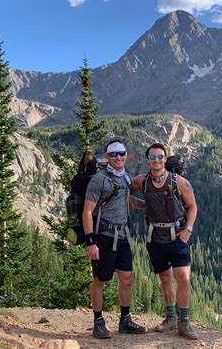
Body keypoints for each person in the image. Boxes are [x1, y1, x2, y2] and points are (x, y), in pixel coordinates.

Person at [132, 143, 199, 340]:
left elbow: (193, 207)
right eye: (152, 158)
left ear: (165, 158)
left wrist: (188, 229)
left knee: (183, 279)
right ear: (147, 160)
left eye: (160, 157)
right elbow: (124, 192)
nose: (156, 161)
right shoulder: (141, 181)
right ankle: (171, 317)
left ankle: (184, 323)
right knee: (165, 278)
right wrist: (140, 204)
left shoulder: (179, 182)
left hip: (178, 236)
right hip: (155, 237)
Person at [82, 139, 147, 339]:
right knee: (100, 279)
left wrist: (146, 205)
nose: (119, 157)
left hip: (122, 235)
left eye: (122, 153)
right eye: (114, 154)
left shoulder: (126, 178)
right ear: (108, 157)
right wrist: (90, 241)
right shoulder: (99, 179)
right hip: (103, 236)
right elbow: (87, 211)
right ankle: (98, 322)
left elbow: (126, 200)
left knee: (127, 278)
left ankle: (125, 320)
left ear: (126, 155)